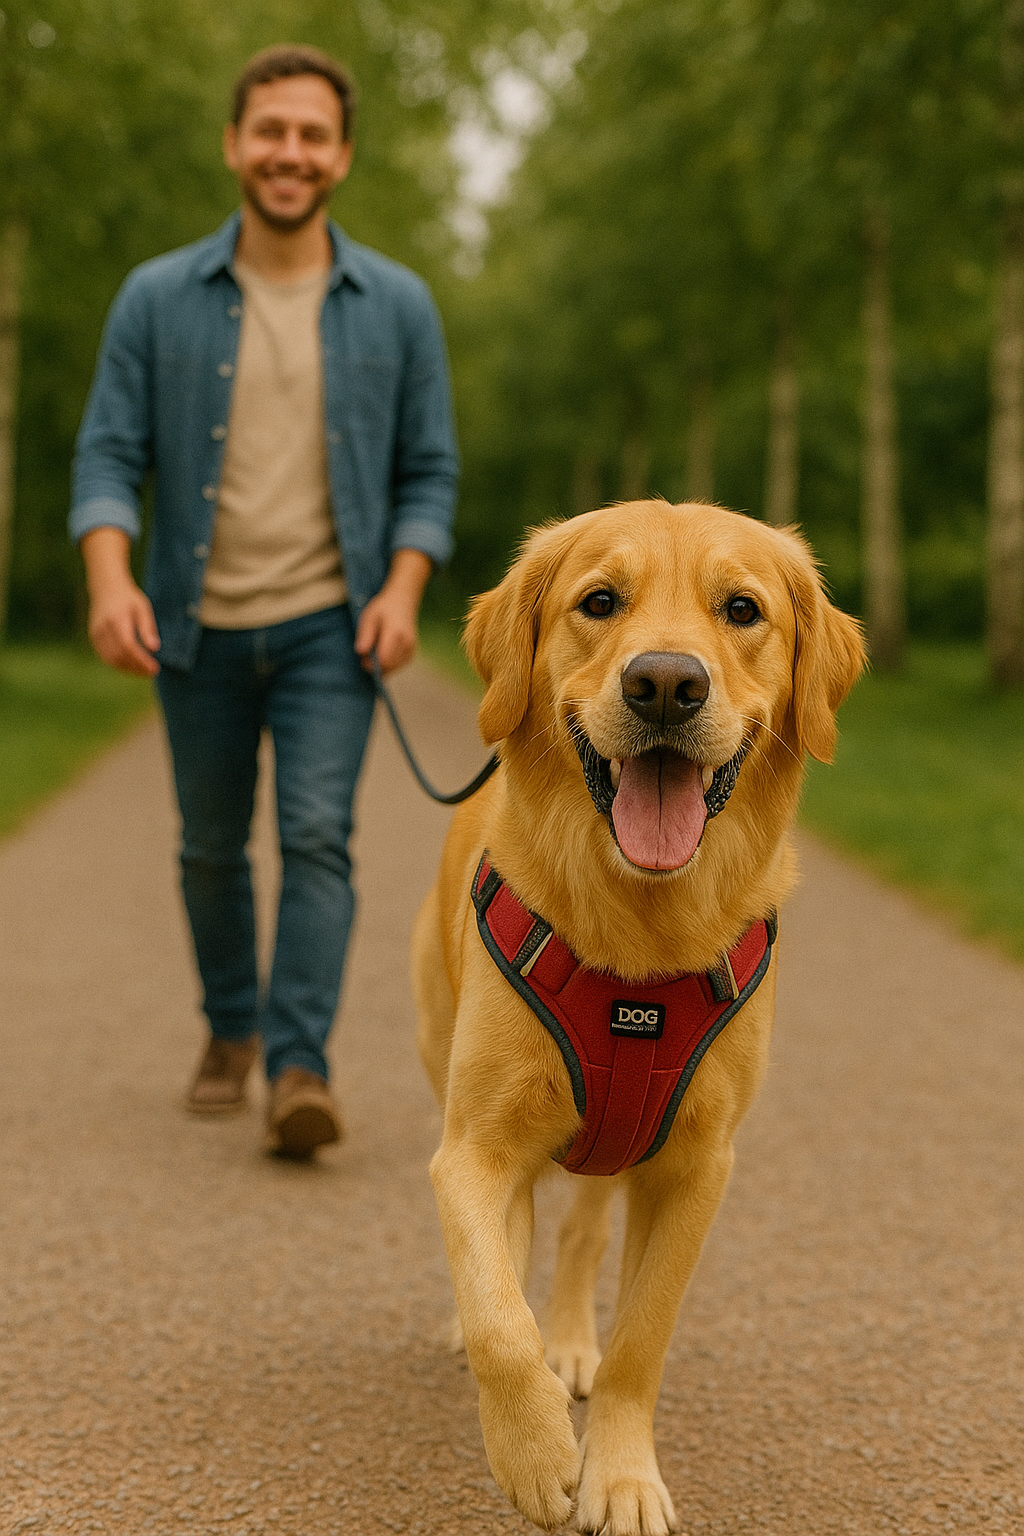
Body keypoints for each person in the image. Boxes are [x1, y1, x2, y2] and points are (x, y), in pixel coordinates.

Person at [70, 44, 459, 1156]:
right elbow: (106, 453)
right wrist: (108, 579)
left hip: (333, 629)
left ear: (341, 155)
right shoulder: (156, 297)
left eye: (312, 135)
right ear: (235, 144)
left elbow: (428, 472)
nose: (290, 153)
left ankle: (298, 1067)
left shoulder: (397, 305)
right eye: (271, 131)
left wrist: (401, 587)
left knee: (317, 838)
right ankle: (229, 1028)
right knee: (206, 845)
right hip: (192, 625)